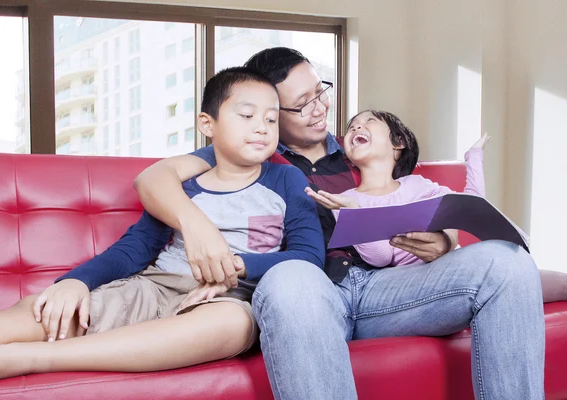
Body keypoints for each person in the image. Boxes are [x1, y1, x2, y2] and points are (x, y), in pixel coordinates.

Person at [133, 48, 545, 400]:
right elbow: (152, 179)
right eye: (302, 104)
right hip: (304, 294)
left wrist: (443, 241)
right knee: (292, 277)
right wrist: (196, 224)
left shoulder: (361, 148)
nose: (320, 108)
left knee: (506, 262)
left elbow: (425, 198)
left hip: (383, 290)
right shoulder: (246, 152)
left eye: (320, 92)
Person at [0, 67, 324, 387]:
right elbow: (135, 248)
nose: (262, 127)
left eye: (271, 119)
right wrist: (76, 281)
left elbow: (308, 257)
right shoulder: (183, 185)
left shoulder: (286, 179)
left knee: (234, 327)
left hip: (228, 298)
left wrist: (241, 265)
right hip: (155, 286)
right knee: (53, 308)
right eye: (246, 115)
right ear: (207, 124)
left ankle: (21, 359)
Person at [307, 109, 567, 303]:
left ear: (398, 143)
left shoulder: (417, 184)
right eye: (352, 126)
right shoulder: (344, 200)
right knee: (505, 275)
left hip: (456, 265)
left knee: (524, 269)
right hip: (417, 286)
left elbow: (469, 205)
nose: (356, 128)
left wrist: (474, 156)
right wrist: (354, 211)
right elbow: (381, 257)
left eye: (369, 122)